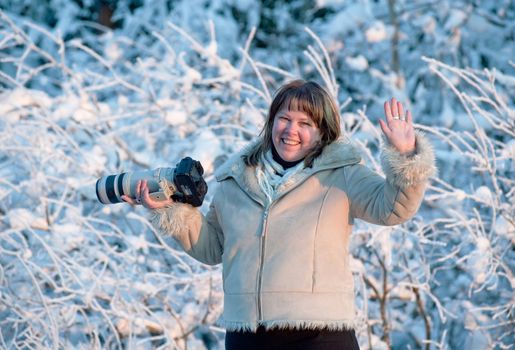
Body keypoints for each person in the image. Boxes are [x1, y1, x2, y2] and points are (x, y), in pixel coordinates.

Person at [122, 80, 436, 349]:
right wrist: (172, 210)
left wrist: (405, 156)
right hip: (247, 336)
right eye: (284, 119)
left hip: (319, 337)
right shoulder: (235, 180)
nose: (291, 130)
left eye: (305, 124)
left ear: (323, 132)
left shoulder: (343, 175)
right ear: (271, 122)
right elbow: (212, 248)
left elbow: (394, 208)